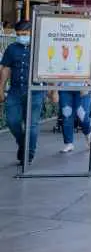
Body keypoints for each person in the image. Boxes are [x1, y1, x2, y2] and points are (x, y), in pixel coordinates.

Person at [1, 21, 43, 164]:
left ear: (32, 33)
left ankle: (28, 154)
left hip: (36, 91)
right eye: (18, 35)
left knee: (32, 125)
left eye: (24, 34)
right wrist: (1, 88)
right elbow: (5, 69)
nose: (21, 37)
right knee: (12, 121)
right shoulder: (12, 49)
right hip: (15, 91)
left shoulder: (39, 48)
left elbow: (49, 69)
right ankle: (23, 143)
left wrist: (53, 90)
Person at [58, 89, 91, 153]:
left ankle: (88, 133)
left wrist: (87, 82)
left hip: (83, 85)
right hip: (65, 86)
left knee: (83, 116)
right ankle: (69, 143)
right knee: (66, 115)